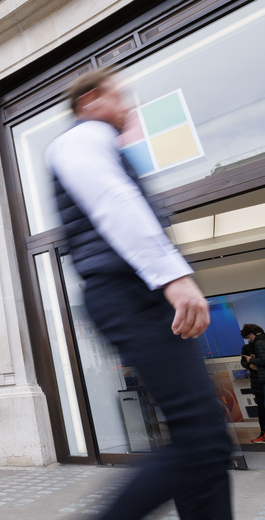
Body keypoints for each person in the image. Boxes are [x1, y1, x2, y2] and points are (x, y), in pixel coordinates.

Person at [45, 68, 232, 519]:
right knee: (203, 439)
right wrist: (173, 276)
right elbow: (115, 202)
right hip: (127, 291)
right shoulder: (82, 137)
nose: (128, 106)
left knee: (202, 443)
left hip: (132, 292)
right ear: (90, 101)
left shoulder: (92, 140)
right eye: (119, 97)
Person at [240, 324, 265, 443]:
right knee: (261, 409)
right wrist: (250, 365)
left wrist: (256, 363)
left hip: (263, 379)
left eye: (248, 336)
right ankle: (263, 434)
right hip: (256, 383)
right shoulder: (246, 348)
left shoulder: (260, 343)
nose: (248, 339)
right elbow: (243, 362)